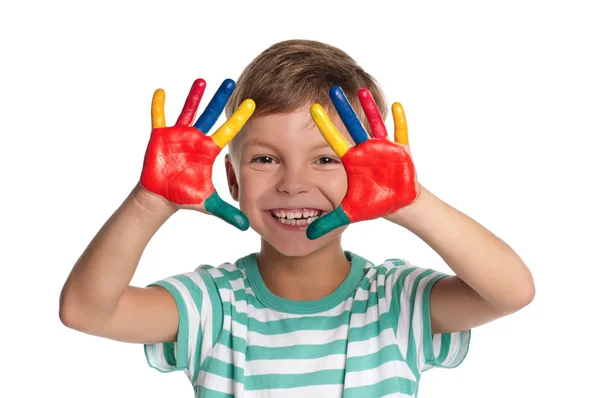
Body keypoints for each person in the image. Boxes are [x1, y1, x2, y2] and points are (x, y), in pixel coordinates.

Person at [59, 39, 535, 397]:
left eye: (326, 160)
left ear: (367, 175)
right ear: (232, 178)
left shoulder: (397, 302)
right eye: (265, 160)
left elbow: (512, 291)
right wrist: (151, 201)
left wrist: (410, 203)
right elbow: (85, 310)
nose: (293, 183)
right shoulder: (212, 304)